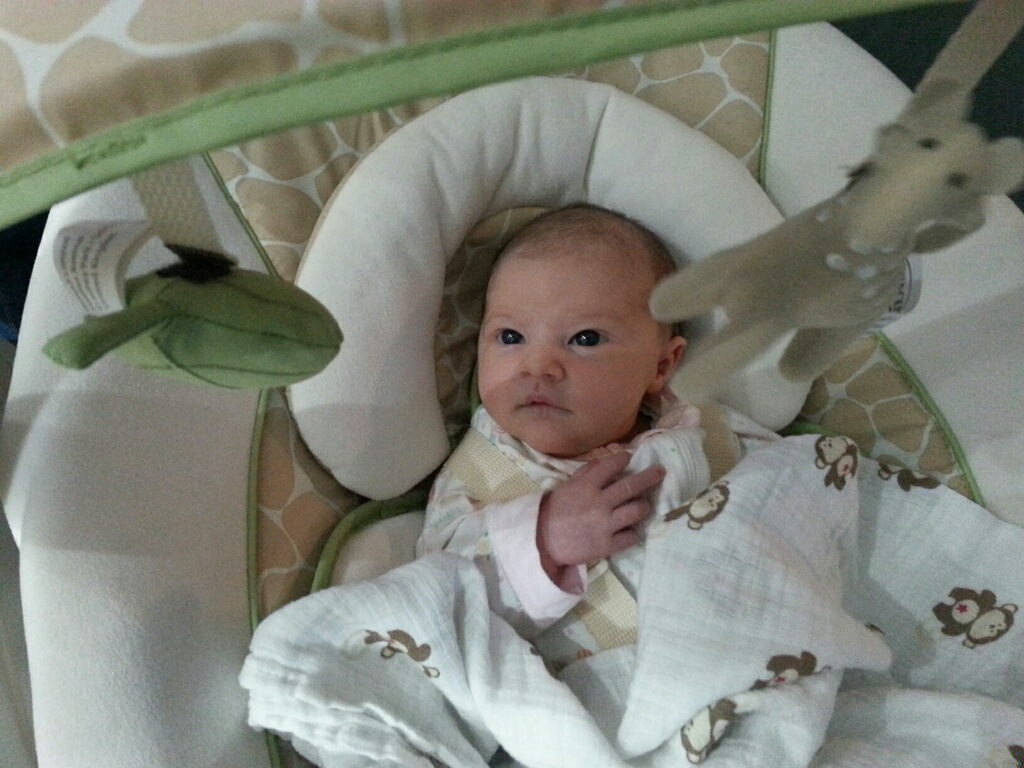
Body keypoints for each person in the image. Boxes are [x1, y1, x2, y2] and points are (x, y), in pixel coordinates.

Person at [416, 203, 774, 663]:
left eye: (584, 339)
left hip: (747, 647)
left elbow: (796, 492)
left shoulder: (706, 432)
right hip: (593, 683)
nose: (538, 366)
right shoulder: (480, 471)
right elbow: (436, 599)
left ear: (662, 365)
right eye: (510, 337)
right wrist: (544, 541)